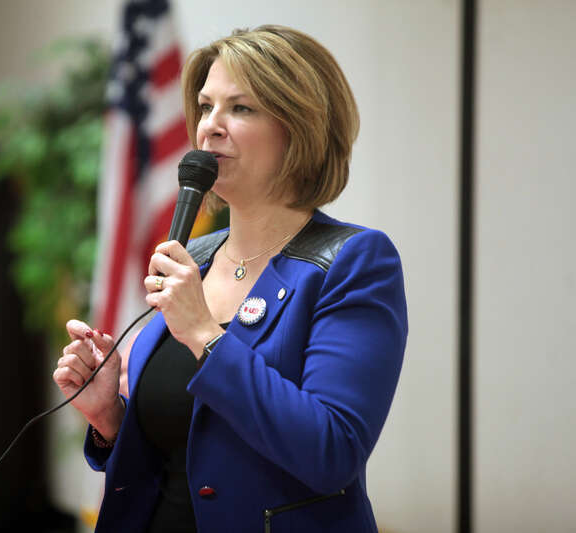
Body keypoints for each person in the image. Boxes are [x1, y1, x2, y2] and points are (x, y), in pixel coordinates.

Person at [53, 25, 407, 533]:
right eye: (205, 106)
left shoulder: (353, 262)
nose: (209, 127)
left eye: (240, 108)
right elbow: (185, 446)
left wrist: (205, 336)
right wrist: (110, 417)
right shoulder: (192, 258)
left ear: (300, 128)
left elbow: (332, 452)